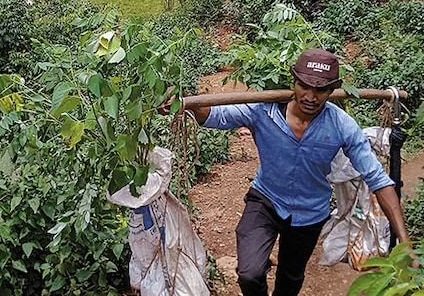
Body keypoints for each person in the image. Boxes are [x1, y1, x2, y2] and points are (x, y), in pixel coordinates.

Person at [175, 48, 410, 296]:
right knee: (249, 274)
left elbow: (378, 180)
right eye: (304, 86)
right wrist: (183, 101)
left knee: (290, 278)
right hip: (265, 200)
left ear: (332, 91)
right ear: (294, 82)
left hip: (310, 213)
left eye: (320, 90)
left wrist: (404, 241)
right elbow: (214, 115)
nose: (310, 96)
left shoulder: (341, 125)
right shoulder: (262, 111)